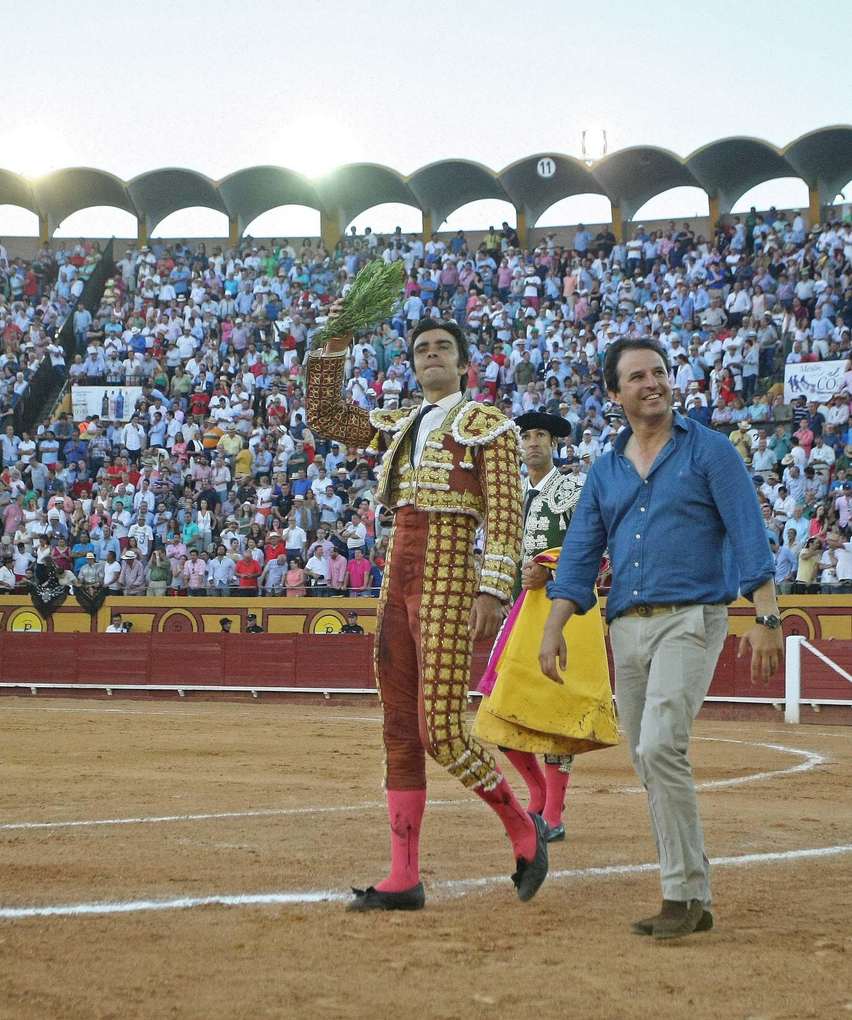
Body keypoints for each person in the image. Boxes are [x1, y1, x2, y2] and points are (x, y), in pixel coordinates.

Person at [540, 336, 781, 941]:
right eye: (639, 376)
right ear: (615, 393)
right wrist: (552, 629)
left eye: (661, 372)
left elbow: (748, 531)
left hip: (691, 617)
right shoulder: (606, 469)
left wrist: (767, 617)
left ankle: (680, 895)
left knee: (659, 746)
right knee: (652, 758)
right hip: (626, 625)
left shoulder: (712, 452)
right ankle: (693, 892)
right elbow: (579, 555)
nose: (654, 383)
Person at [308, 310, 545, 913]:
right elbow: (327, 416)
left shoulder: (489, 426)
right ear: (413, 364)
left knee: (439, 730)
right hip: (398, 573)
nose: (431, 355)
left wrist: (493, 590)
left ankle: (523, 827)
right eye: (421, 349)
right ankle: (402, 876)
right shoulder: (403, 422)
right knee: (398, 730)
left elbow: (506, 515)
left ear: (463, 363)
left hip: (448, 573)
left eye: (443, 347)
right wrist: (336, 342)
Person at [492, 410, 587, 843]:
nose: (532, 443)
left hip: (562, 612)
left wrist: (550, 572)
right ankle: (538, 792)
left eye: (540, 436)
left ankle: (553, 812)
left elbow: (596, 548)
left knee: (556, 713)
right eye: (525, 436)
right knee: (499, 705)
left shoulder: (573, 488)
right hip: (518, 611)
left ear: (554, 443)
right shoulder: (509, 494)